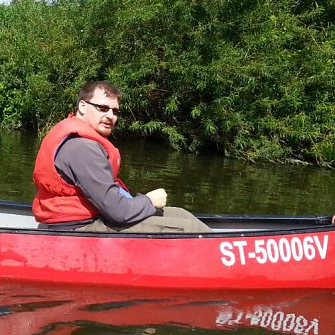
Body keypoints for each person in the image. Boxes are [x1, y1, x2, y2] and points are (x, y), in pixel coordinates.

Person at [32, 80, 210, 233]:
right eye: (103, 108)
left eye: (115, 111)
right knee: (189, 229)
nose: (110, 116)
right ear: (83, 106)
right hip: (78, 227)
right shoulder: (82, 147)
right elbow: (118, 212)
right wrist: (149, 201)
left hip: (93, 217)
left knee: (181, 214)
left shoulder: (80, 140)